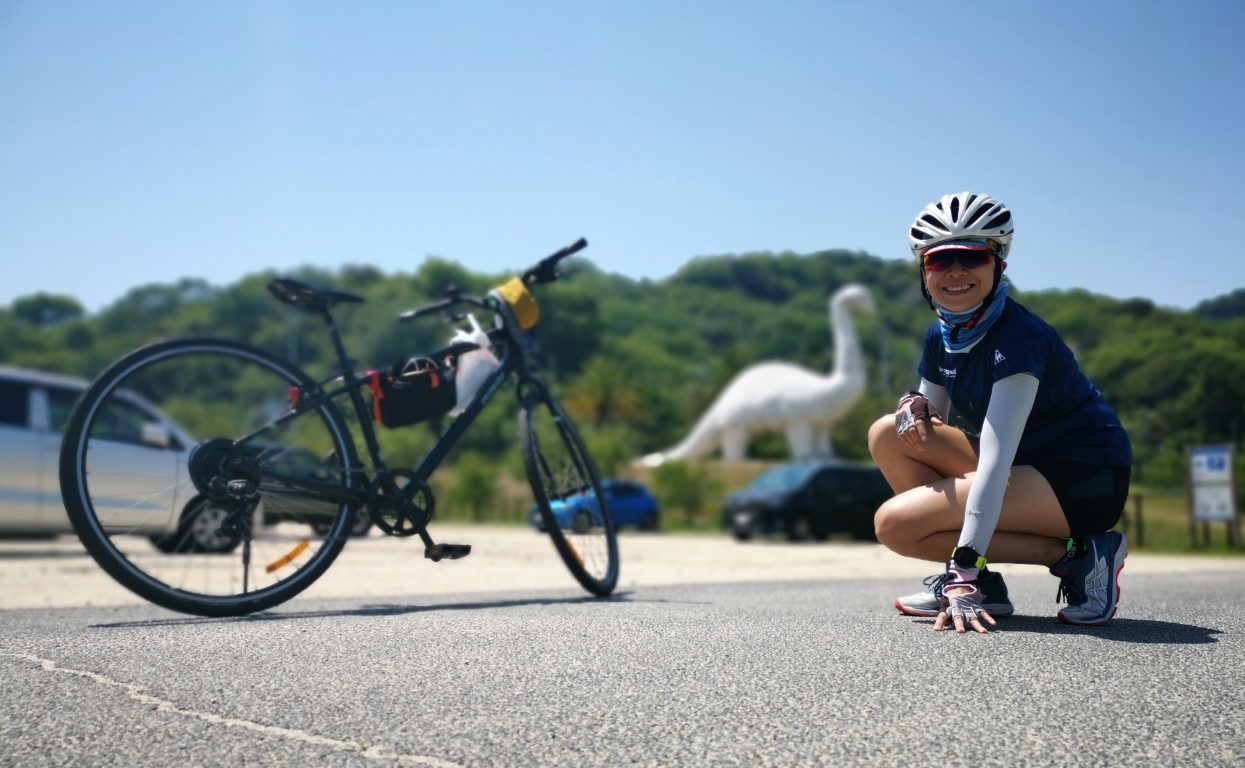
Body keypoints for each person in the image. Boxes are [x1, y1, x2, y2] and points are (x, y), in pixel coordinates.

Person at [867, 191, 1132, 634]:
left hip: (1083, 476)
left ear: (999, 265)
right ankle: (991, 581)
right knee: (889, 432)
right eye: (939, 260)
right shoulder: (943, 335)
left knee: (895, 525)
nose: (955, 271)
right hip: (1025, 466)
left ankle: (1080, 554)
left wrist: (962, 572)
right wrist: (912, 402)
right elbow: (928, 421)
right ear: (923, 271)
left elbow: (995, 454)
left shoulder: (1018, 336)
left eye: (972, 258)